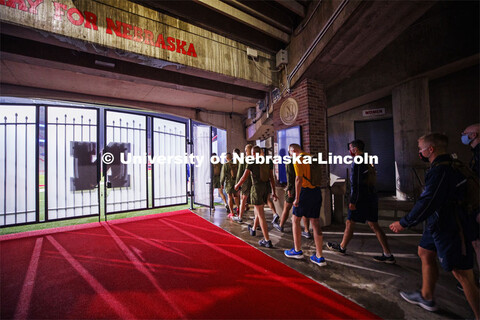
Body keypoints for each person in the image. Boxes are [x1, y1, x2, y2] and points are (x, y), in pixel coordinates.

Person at [389, 133, 479, 318]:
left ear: (431, 149)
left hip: (450, 226)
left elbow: (428, 202)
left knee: (462, 273)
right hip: (437, 223)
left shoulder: (441, 171)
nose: (419, 152)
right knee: (425, 252)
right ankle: (426, 296)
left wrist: (404, 223)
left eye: (421, 148)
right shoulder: (449, 164)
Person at [327, 140, 395, 263]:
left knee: (350, 222)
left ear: (355, 149)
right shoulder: (368, 159)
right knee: (373, 225)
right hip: (371, 197)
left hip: (361, 200)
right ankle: (388, 254)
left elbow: (357, 184)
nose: (349, 151)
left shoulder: (357, 162)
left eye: (350, 148)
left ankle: (342, 248)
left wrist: (353, 201)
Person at [283, 143, 326, 266]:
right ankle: (319, 256)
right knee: (315, 222)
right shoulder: (311, 157)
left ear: (293, 150)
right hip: (316, 192)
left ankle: (297, 250)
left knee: (295, 220)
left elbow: (298, 179)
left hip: (304, 192)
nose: (290, 155)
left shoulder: (298, 159)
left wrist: (297, 198)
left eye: (290, 152)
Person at [235, 146, 277, 248]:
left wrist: (237, 185)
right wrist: (274, 192)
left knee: (261, 215)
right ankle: (253, 229)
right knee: (259, 211)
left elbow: (244, 176)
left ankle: (267, 240)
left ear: (253, 153)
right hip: (265, 189)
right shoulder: (267, 161)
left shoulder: (252, 162)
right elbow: (272, 178)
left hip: (256, 189)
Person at [273, 159, 311, 238]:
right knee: (304, 209)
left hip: (293, 188)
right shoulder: (303, 160)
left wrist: (289, 188)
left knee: (287, 207)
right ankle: (307, 231)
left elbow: (290, 177)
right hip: (304, 188)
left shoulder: (290, 162)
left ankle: (281, 225)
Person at [233, 144, 253, 222]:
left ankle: (240, 217)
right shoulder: (257, 159)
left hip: (245, 183)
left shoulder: (244, 160)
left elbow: (240, 173)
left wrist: (237, 184)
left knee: (243, 199)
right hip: (255, 183)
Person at [220, 152, 239, 217]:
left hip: (229, 183)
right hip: (236, 182)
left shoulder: (225, 165)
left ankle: (232, 212)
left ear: (227, 158)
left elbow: (223, 176)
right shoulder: (236, 164)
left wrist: (221, 183)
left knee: (230, 197)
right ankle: (239, 209)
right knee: (236, 196)